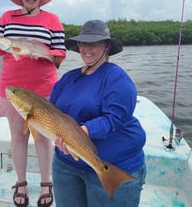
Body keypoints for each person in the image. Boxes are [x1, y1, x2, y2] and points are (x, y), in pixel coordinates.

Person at [0, 0, 66, 207]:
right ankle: (21, 182)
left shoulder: (52, 20)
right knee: (18, 136)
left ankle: (46, 183)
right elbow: (0, 48)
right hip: (12, 87)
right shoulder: (7, 17)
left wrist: (43, 55)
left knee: (43, 137)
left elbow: (60, 54)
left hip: (44, 87)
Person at [50, 20, 146, 207]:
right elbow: (52, 111)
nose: (87, 48)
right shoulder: (69, 77)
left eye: (94, 43)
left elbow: (115, 118)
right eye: (83, 43)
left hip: (114, 164)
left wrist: (82, 132)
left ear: (107, 46)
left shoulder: (117, 78)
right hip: (66, 165)